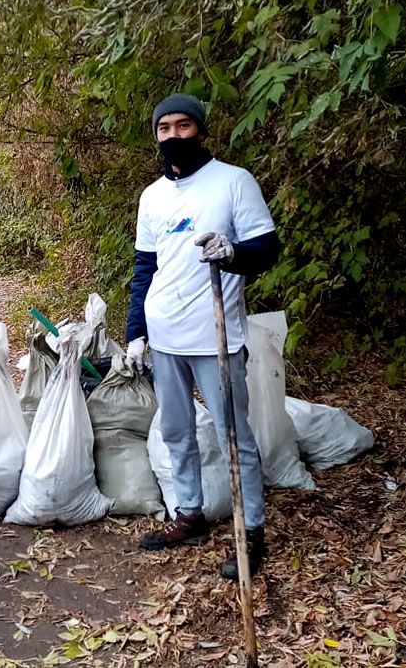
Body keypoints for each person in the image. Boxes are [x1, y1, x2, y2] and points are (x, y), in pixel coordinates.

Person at [125, 93, 281, 580]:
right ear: (156, 136)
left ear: (201, 129)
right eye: (164, 128)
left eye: (183, 125)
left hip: (217, 337)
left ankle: (251, 530)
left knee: (234, 436)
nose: (173, 136)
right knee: (175, 431)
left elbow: (267, 248)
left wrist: (232, 253)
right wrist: (135, 332)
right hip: (165, 336)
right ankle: (188, 512)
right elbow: (144, 268)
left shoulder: (233, 183)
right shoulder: (152, 197)